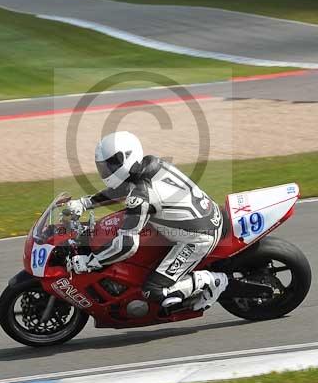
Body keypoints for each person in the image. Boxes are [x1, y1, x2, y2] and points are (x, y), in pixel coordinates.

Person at [64, 131, 228, 311]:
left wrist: (91, 261)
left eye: (112, 164)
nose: (107, 170)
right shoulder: (150, 164)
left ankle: (212, 280)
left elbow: (126, 246)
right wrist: (85, 203)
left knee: (153, 290)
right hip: (203, 216)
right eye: (105, 165)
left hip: (199, 237)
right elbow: (124, 188)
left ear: (127, 158)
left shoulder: (141, 196)